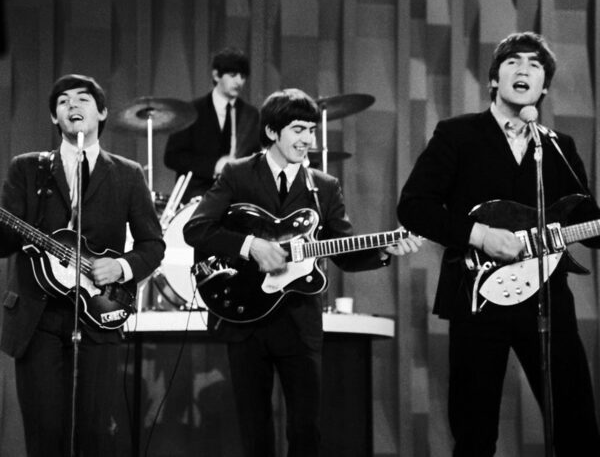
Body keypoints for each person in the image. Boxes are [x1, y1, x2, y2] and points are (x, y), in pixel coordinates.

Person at [183, 88, 421, 457]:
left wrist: (383, 250)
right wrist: (251, 245)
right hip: (244, 318)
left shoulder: (324, 186)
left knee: (307, 431)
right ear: (272, 132)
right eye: (298, 129)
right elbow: (196, 229)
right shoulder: (237, 174)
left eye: (311, 130)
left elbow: (343, 252)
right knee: (255, 432)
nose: (307, 139)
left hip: (299, 323)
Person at [397, 31, 600, 456]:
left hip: (547, 298)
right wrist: (481, 236)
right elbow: (414, 207)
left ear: (544, 87)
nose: (524, 68)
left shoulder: (559, 146)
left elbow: (588, 222)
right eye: (513, 61)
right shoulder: (457, 134)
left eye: (534, 64)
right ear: (494, 79)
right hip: (477, 295)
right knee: (474, 433)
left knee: (577, 425)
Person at [0, 74, 165, 456]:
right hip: (37, 318)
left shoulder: (127, 173)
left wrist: (121, 267)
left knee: (93, 434)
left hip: (98, 316)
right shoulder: (27, 168)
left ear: (102, 112)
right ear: (54, 118)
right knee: (44, 434)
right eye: (63, 101)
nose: (72, 105)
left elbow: (152, 245)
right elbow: (4, 242)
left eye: (82, 99)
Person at [164, 47, 261, 203]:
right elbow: (172, 157)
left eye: (243, 76)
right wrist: (214, 166)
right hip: (197, 195)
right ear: (216, 75)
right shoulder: (192, 111)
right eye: (232, 75)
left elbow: (256, 157)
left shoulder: (251, 114)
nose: (239, 81)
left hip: (238, 195)